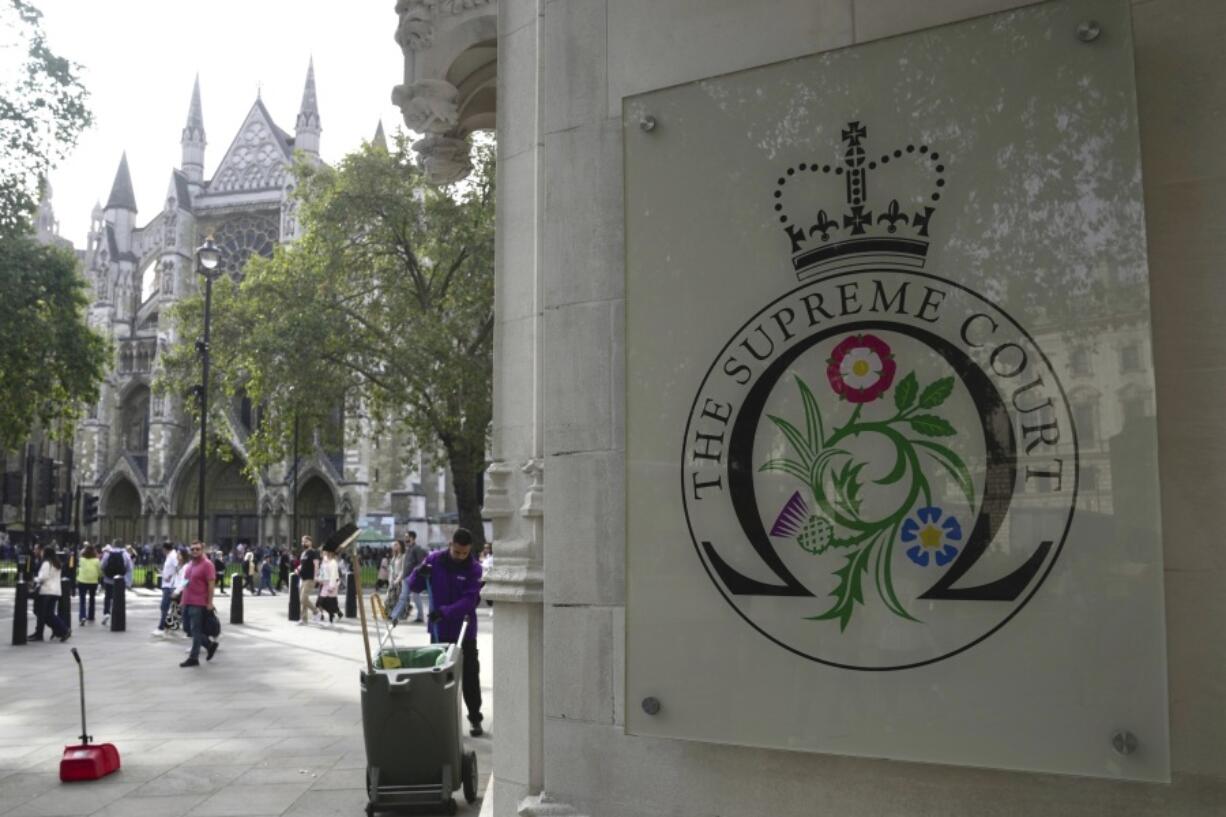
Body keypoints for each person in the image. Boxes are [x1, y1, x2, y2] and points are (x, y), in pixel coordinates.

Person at [405, 527, 484, 735]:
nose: (460, 557)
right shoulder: (434, 560)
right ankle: (441, 718)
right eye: (457, 552)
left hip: (464, 631)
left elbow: (470, 600)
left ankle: (475, 717)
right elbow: (414, 585)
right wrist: (418, 573)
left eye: (465, 553)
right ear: (450, 545)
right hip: (439, 630)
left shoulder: (474, 569)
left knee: (469, 676)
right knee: (439, 676)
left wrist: (445, 612)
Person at [180, 540, 218, 667]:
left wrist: (210, 602)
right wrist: (181, 599)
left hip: (199, 602)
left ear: (202, 550)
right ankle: (209, 644)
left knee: (195, 630)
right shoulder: (190, 564)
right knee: (187, 628)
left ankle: (194, 658)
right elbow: (185, 582)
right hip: (187, 601)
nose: (195, 551)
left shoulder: (207, 565)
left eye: (197, 549)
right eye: (192, 549)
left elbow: (211, 585)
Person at [30, 548, 70, 642]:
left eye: (43, 551)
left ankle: (63, 630)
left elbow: (43, 577)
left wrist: (34, 579)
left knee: (42, 613)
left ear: (46, 553)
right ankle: (61, 630)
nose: (41, 552)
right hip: (55, 592)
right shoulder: (56, 563)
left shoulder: (46, 563)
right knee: (49, 614)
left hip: (46, 591)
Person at [100, 541, 130, 625]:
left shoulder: (108, 553)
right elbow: (129, 567)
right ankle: (117, 615)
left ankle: (106, 613)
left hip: (108, 579)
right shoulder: (125, 554)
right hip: (120, 581)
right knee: (119, 598)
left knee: (107, 597)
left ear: (113, 545)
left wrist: (105, 573)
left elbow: (102, 565)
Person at [154, 543, 181, 636]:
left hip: (170, 586)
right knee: (172, 608)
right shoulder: (170, 556)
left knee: (164, 607)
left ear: (165, 549)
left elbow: (178, 568)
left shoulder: (173, 556)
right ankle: (169, 626)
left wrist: (171, 576)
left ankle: (161, 627)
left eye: (163, 549)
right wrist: (163, 573)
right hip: (167, 585)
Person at [296, 536, 321, 625]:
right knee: (303, 599)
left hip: (310, 578)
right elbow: (302, 565)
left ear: (310, 542)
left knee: (303, 598)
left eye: (306, 541)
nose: (304, 543)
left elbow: (316, 565)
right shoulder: (303, 553)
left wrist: (316, 576)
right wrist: (298, 569)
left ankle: (316, 611)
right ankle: (304, 619)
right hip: (303, 578)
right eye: (303, 541)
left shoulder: (313, 552)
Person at [405, 530, 428, 623]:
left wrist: (415, 572)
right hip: (408, 576)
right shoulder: (409, 549)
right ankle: (416, 614)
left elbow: (421, 562)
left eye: (406, 537)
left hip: (414, 577)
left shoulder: (417, 548)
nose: (405, 539)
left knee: (415, 596)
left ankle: (420, 616)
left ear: (411, 538)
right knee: (408, 597)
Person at [75, 544, 101, 625]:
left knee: (82, 600)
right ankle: (91, 615)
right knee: (92, 599)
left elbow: (78, 569)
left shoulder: (81, 560)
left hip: (82, 580)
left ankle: (82, 616)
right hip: (93, 581)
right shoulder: (97, 561)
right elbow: (100, 571)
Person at [316, 549, 342, 624]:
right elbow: (322, 573)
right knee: (321, 602)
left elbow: (334, 575)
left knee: (328, 602)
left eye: (324, 552)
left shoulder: (333, 563)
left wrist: (331, 586)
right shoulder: (324, 562)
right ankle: (333, 616)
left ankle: (332, 618)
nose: (322, 553)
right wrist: (319, 579)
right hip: (325, 584)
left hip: (331, 584)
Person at [385, 540, 405, 616]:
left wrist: (397, 580)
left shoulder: (403, 556)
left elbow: (403, 570)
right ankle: (390, 614)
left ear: (400, 546)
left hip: (399, 580)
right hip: (392, 579)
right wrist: (391, 579)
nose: (394, 546)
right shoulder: (394, 557)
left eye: (396, 544)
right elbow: (391, 569)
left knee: (397, 598)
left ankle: (396, 614)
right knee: (389, 597)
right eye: (394, 545)